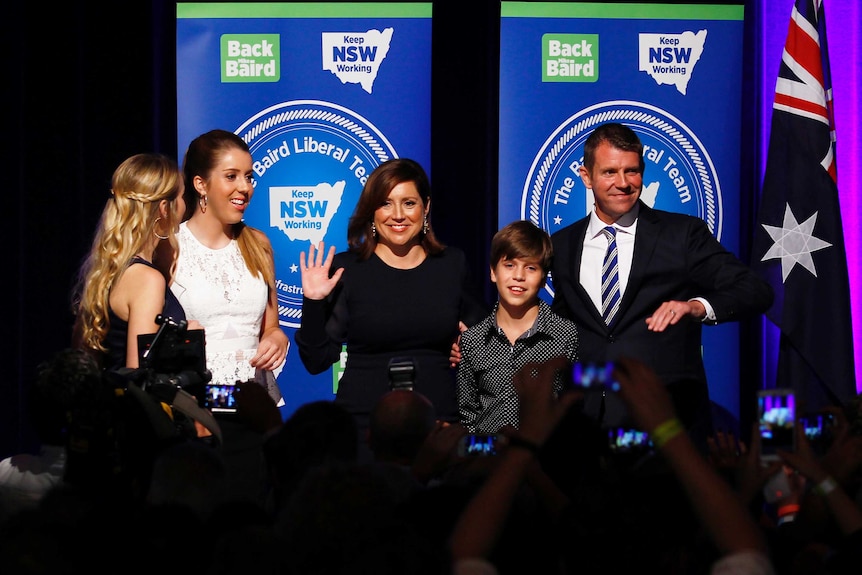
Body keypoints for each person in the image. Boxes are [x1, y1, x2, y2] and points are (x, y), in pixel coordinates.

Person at [547, 122, 773, 445]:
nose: (623, 183)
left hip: (667, 432)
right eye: (610, 172)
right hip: (584, 434)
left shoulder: (682, 235)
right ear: (586, 176)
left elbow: (756, 290)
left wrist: (696, 306)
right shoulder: (563, 244)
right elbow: (559, 326)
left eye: (632, 171)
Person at [295, 157, 488, 460]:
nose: (397, 215)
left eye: (408, 203)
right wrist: (314, 302)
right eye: (386, 204)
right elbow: (318, 360)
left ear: (426, 207)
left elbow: (485, 339)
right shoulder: (347, 269)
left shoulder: (452, 264)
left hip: (438, 427)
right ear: (372, 211)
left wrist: (469, 346)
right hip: (363, 429)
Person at [173, 129, 288, 406]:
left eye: (248, 176)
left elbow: (271, 327)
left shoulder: (258, 243)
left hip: (254, 405)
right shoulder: (170, 247)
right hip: (194, 406)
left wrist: (276, 338)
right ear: (201, 184)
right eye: (231, 176)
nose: (245, 187)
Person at [457, 220, 579, 433]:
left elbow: (572, 410)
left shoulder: (565, 335)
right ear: (493, 272)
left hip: (544, 460)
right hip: (489, 461)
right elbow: (467, 417)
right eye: (509, 265)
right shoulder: (473, 340)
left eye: (531, 268)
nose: (519, 276)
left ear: (543, 279)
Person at [72, 153, 188, 370]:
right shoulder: (146, 280)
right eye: (182, 197)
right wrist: (183, 342)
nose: (185, 205)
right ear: (164, 208)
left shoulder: (104, 271)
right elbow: (139, 381)